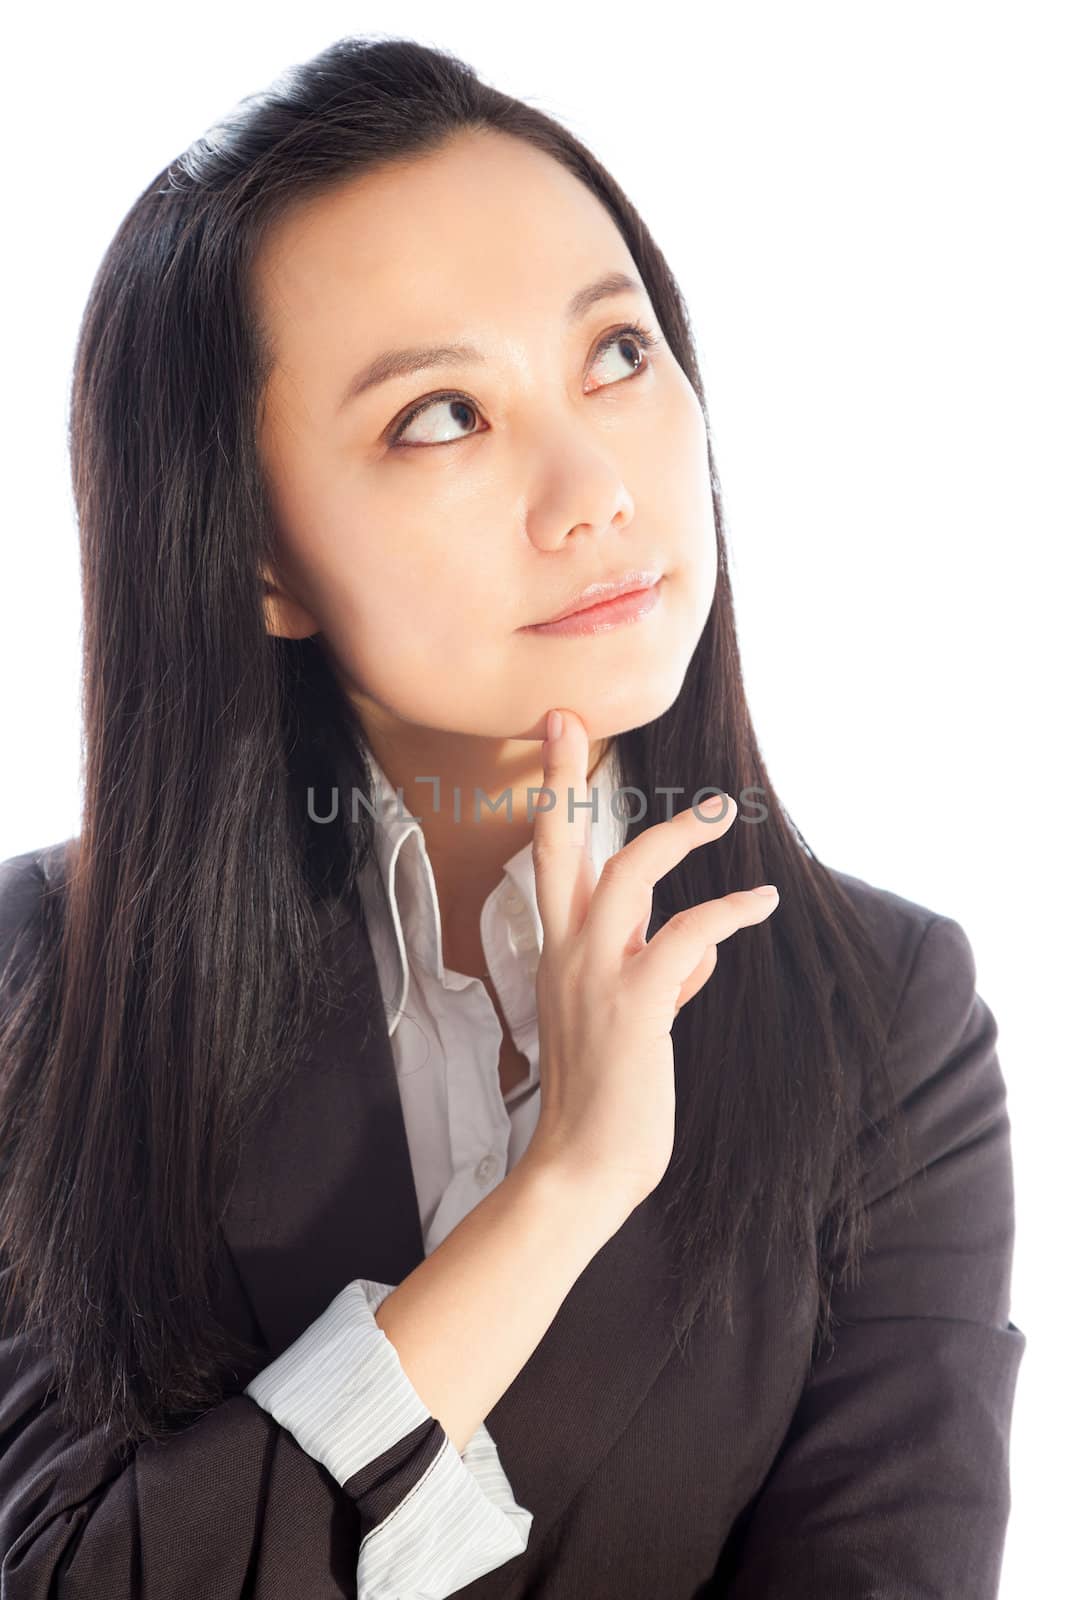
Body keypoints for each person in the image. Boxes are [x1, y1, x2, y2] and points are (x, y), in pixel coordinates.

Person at [0, 33, 1024, 1600]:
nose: (594, 485)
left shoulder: (882, 1019)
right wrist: (565, 1191)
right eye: (439, 418)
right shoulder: (44, 988)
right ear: (255, 556)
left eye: (616, 354)